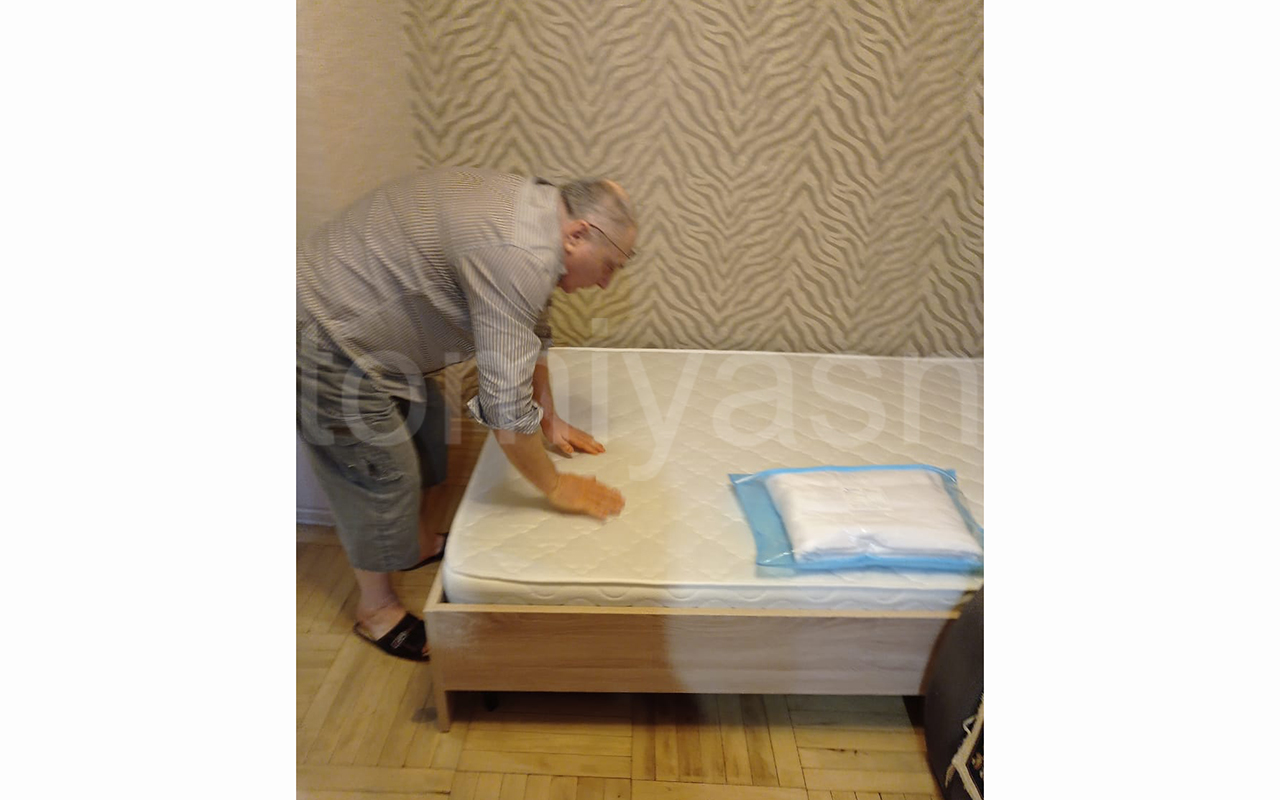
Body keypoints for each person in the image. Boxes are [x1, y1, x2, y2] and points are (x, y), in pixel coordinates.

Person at [297, 167, 633, 661]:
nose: (604, 284)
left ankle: (414, 544)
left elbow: (531, 328)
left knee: (431, 429)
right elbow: (504, 413)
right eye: (609, 266)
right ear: (578, 235)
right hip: (321, 331)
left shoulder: (540, 210)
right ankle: (376, 610)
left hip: (367, 329)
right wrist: (557, 486)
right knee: (380, 471)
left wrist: (549, 418)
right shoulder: (520, 253)